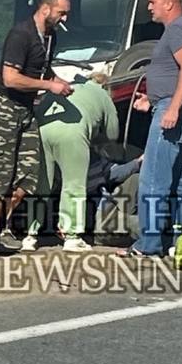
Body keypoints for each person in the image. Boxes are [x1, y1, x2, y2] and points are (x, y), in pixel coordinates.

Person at [0, 0, 73, 255]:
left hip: (26, 109)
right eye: (61, 12)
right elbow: (10, 78)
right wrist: (48, 86)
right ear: (46, 9)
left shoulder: (50, 36)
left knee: (28, 171)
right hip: (3, 107)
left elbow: (43, 68)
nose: (64, 18)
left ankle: (5, 228)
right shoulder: (21, 35)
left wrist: (59, 82)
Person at [125, 0, 182, 257]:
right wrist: (153, 99)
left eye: (153, 2)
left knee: (152, 179)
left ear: (170, 3)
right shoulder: (180, 30)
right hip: (176, 108)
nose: (149, 7)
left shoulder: (178, 30)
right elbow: (176, 74)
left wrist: (171, 107)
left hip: (174, 113)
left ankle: (148, 246)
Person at [30, 71, 119, 252]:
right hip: (73, 134)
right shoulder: (102, 94)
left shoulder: (68, 85)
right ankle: (71, 237)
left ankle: (30, 235)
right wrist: (95, 137)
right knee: (74, 185)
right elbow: (113, 133)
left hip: (43, 129)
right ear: (105, 86)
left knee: (42, 184)